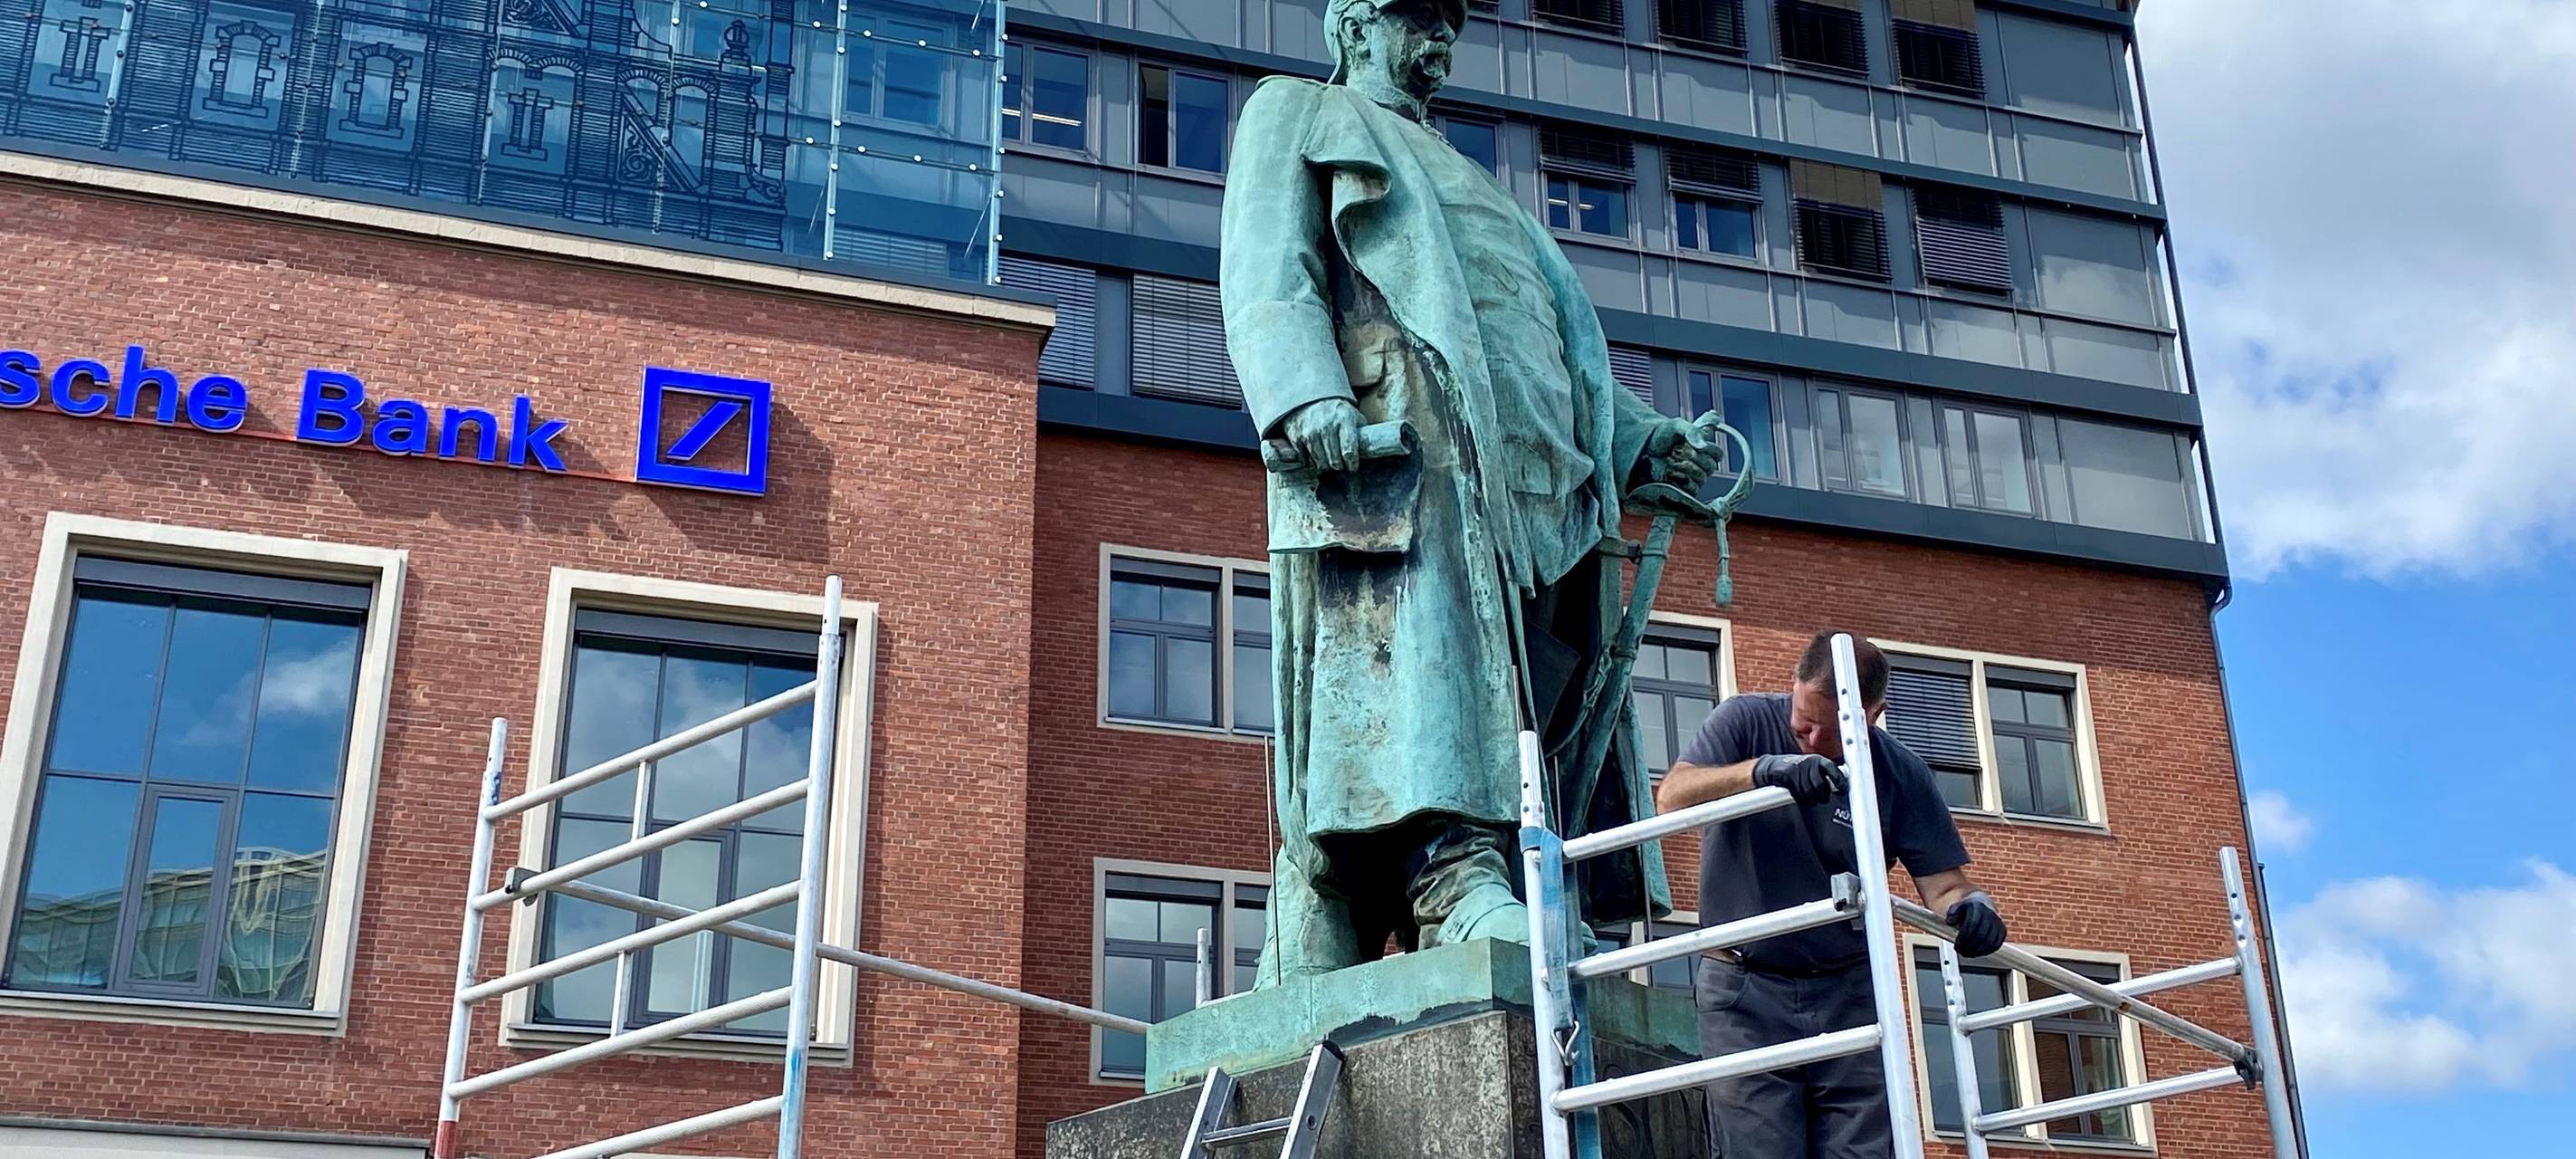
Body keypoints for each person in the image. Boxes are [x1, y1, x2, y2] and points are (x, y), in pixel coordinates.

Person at [1220, 0, 1721, 980]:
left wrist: (1641, 436)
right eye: (1415, 15)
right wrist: (1303, 393)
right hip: (1402, 439)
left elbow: (1539, 343)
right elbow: (1264, 269)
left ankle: (1515, 866)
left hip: (1537, 488)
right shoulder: (1295, 111)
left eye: (1449, 19)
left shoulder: (1491, 192)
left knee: (1534, 690)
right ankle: (1451, 875)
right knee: (1424, 664)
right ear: (1353, 26)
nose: (1437, 37)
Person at [1655, 632, 2008, 1159]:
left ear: (1874, 714)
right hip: (1744, 989)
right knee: (1759, 1150)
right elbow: (1672, 796)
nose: (1814, 738)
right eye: (1804, 721)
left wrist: (1974, 910)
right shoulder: (1745, 721)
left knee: (1864, 1151)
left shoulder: (1899, 771)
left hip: (1847, 992)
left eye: (1833, 728)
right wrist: (1762, 772)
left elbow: (1946, 885)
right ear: (1793, 687)